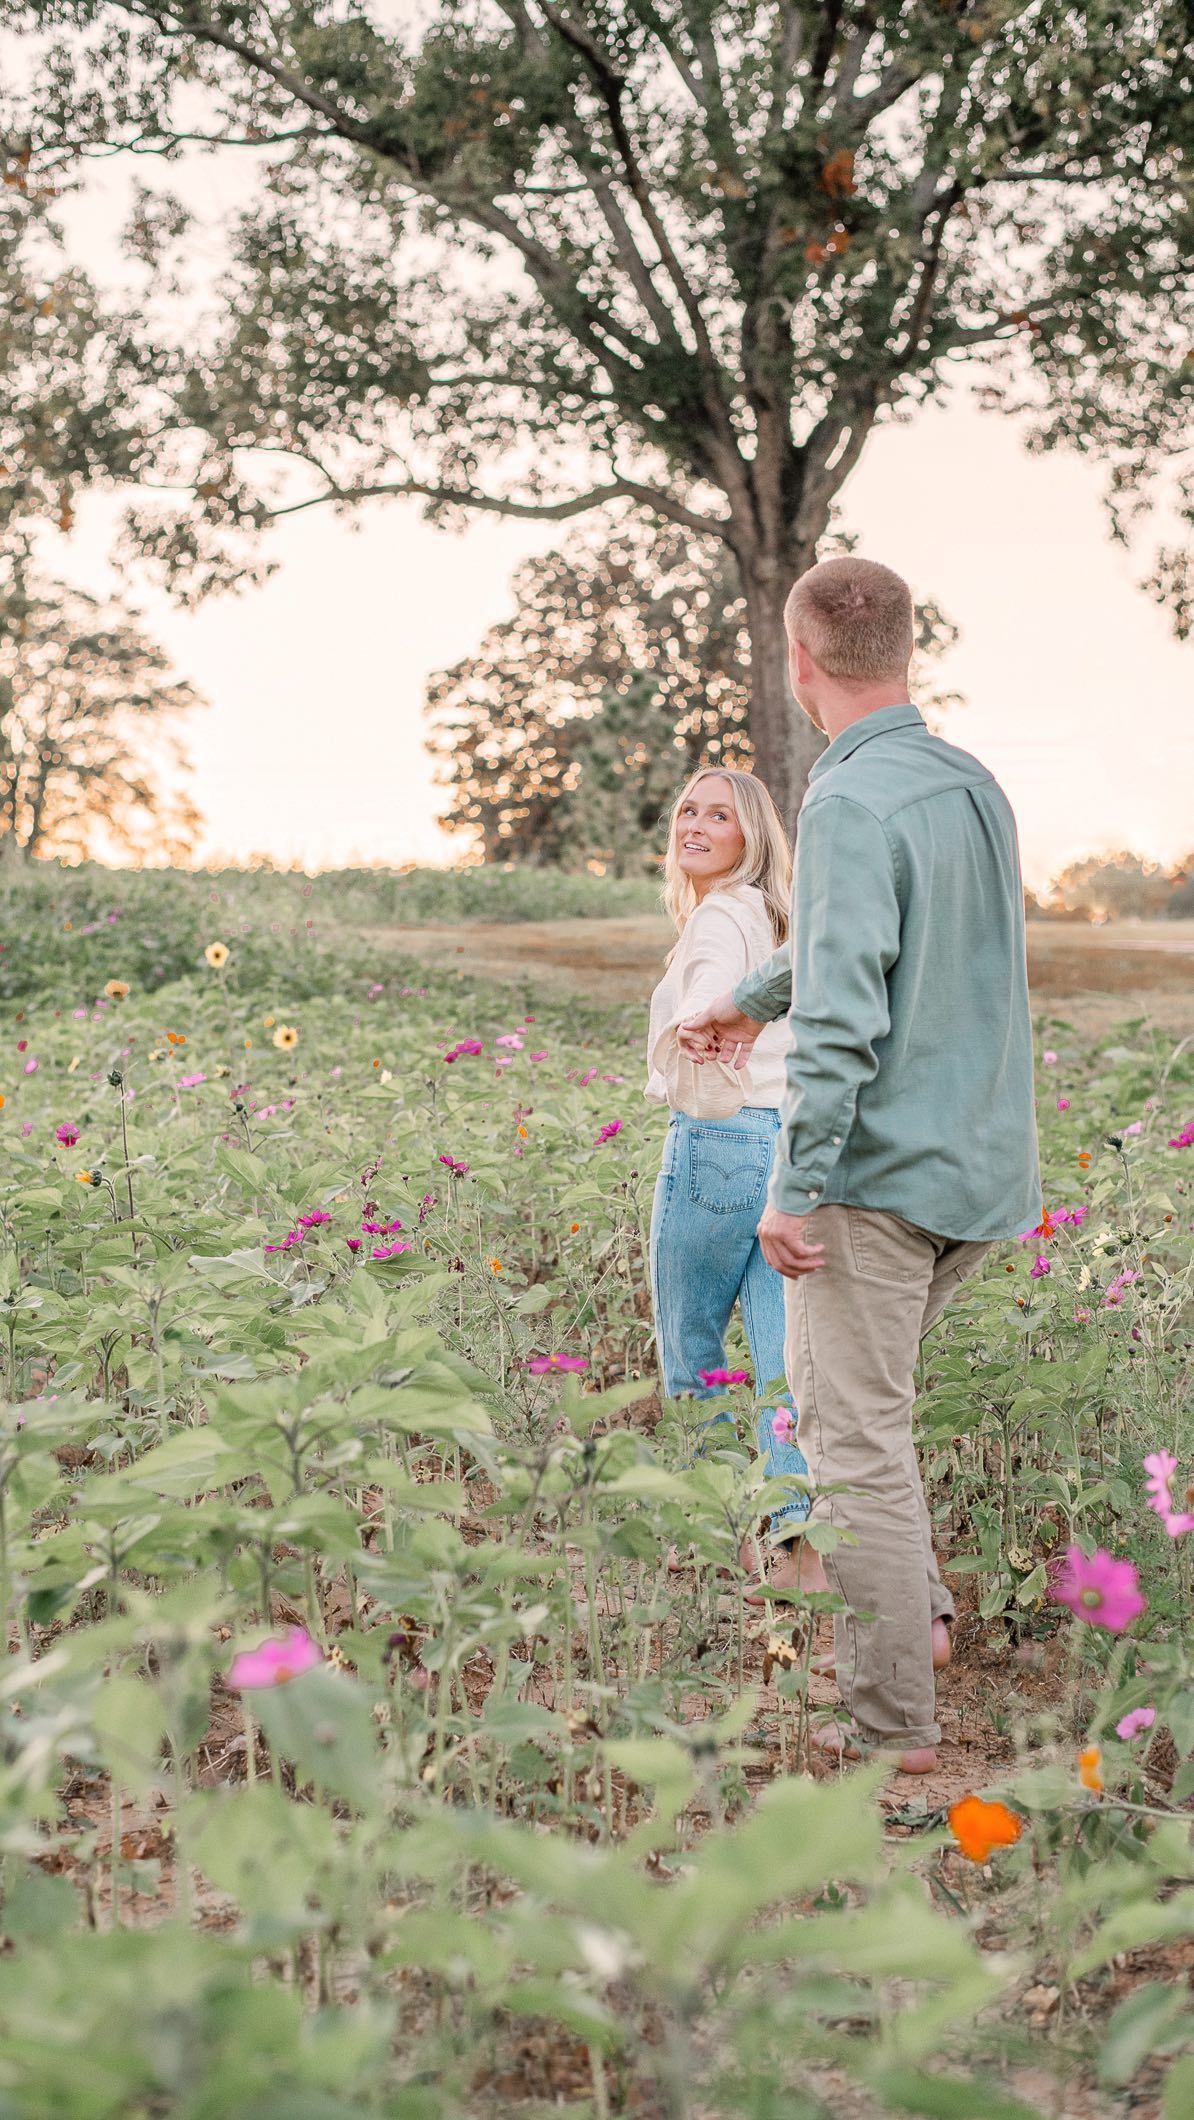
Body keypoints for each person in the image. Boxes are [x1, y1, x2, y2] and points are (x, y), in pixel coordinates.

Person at [679, 557, 1040, 1774]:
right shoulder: (969, 784)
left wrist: (794, 1184)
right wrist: (747, 992)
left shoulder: (843, 803)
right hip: (981, 1172)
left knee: (851, 1447)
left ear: (797, 663)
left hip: (877, 1181)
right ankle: (909, 1647)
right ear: (905, 649)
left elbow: (841, 1020)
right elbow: (870, 946)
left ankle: (893, 1737)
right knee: (860, 1416)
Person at [646, 765, 813, 1566]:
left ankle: (719, 1538)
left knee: (692, 1347)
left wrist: (694, 1019)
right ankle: (794, 1543)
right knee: (780, 1368)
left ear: (751, 837)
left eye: (720, 815)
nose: (695, 825)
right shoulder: (780, 918)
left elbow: (709, 985)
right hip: (786, 1150)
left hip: (719, 1142)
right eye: (687, 810)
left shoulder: (720, 916)